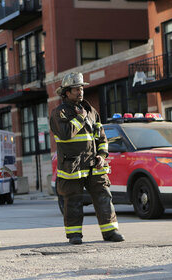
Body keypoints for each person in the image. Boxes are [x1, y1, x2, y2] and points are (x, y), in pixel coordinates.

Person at [50, 72, 125, 245]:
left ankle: (111, 231)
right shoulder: (59, 113)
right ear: (66, 93)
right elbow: (65, 134)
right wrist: (80, 118)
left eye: (82, 88)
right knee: (73, 200)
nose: (80, 91)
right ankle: (74, 235)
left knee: (103, 196)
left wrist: (101, 155)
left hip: (94, 164)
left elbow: (101, 138)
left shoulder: (92, 111)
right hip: (72, 166)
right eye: (76, 89)